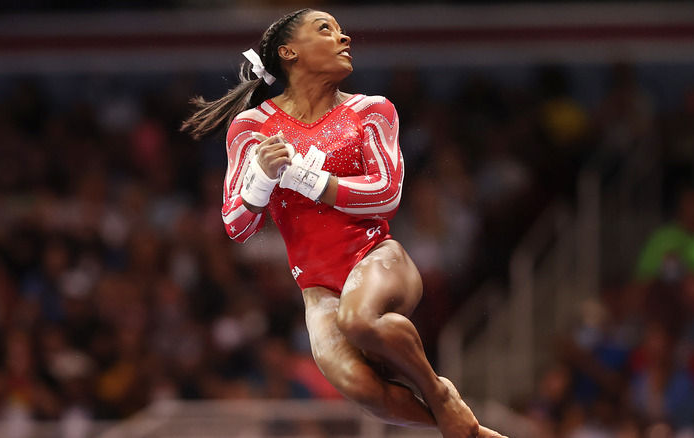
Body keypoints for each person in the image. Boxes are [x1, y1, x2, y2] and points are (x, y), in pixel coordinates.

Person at [181, 9, 506, 438]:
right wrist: (259, 180)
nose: (344, 37)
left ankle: (440, 393)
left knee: (358, 319)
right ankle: (466, 431)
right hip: (317, 290)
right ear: (288, 52)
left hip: (377, 258)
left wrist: (307, 178)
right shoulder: (252, 128)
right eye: (326, 30)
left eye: (341, 29)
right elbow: (236, 226)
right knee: (361, 389)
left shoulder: (370, 110)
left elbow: (386, 195)